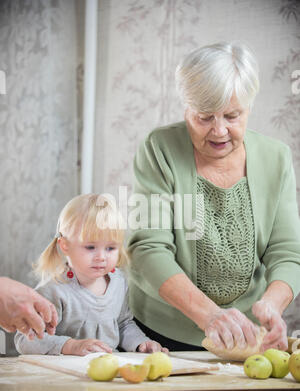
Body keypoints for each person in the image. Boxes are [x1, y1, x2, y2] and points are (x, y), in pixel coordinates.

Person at [127, 41, 300, 354]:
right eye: (205, 117)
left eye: (232, 116)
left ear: (249, 107)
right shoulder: (159, 149)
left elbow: (287, 251)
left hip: (247, 337)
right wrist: (209, 315)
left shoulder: (276, 158)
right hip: (159, 337)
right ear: (186, 108)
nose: (219, 131)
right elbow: (148, 248)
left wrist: (272, 305)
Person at [14, 193, 168, 356]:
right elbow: (25, 340)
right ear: (65, 246)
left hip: (106, 374)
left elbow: (123, 324)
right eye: (90, 247)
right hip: (63, 375)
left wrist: (141, 342)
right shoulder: (53, 290)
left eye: (110, 248)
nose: (101, 257)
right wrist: (71, 346)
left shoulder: (118, 282)